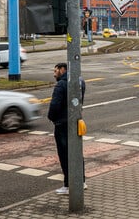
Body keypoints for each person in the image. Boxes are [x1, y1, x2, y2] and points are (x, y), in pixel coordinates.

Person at [48, 62, 86, 194]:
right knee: (76, 152)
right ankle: (81, 181)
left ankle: (68, 185)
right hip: (76, 121)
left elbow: (55, 105)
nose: (54, 74)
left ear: (63, 69)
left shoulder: (61, 85)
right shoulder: (80, 81)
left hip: (62, 124)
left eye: (55, 71)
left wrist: (52, 117)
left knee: (65, 155)